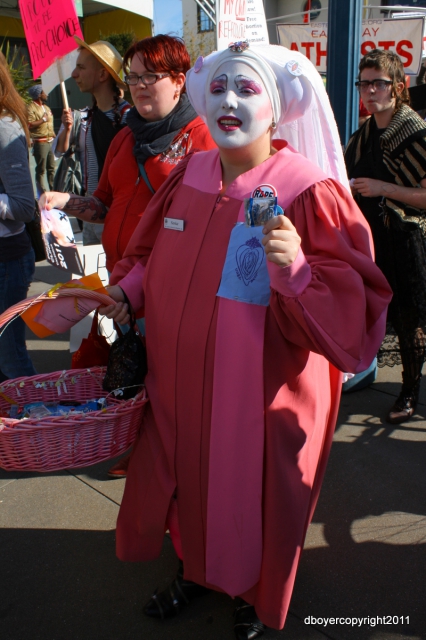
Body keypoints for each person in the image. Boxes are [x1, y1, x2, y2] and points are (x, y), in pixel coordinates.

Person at [98, 43, 392, 637]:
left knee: (256, 493)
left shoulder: (307, 190)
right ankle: (195, 568)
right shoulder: (190, 175)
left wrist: (300, 273)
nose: (229, 101)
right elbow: (147, 255)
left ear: (277, 108)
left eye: (247, 89)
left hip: (261, 393)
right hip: (177, 381)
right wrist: (126, 293)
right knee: (184, 479)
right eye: (221, 88)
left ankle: (254, 592)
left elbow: (356, 300)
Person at [40, 34, 216, 477]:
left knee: (173, 384)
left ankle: (175, 473)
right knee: (137, 375)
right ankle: (146, 454)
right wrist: (63, 201)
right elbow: (102, 206)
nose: (138, 87)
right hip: (124, 286)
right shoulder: (124, 137)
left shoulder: (203, 141)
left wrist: (138, 287)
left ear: (178, 81)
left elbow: (204, 231)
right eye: (133, 77)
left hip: (174, 290)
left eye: (149, 78)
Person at [345, 49, 426, 424]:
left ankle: (409, 392)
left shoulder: (414, 132)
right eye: (364, 83)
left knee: (411, 320)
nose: (369, 90)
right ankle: (361, 371)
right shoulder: (362, 134)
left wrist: (382, 187)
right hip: (371, 238)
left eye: (378, 83)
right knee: (371, 310)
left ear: (398, 86)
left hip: (408, 241)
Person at [53, 38, 130, 246]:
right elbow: (60, 152)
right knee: (92, 279)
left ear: (103, 74)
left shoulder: (129, 120)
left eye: (81, 67)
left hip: (119, 218)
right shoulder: (85, 118)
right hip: (90, 217)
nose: (74, 74)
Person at [0, 52, 37, 381]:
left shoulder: (4, 126)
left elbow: (25, 207)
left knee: (10, 358)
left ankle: (32, 429)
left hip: (7, 261)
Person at [27, 84, 56, 195]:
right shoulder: (31, 108)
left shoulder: (46, 107)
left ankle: (53, 191)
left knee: (52, 168)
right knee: (41, 170)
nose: (46, 94)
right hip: (40, 142)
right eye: (44, 92)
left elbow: (50, 123)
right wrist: (42, 120)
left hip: (51, 141)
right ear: (39, 94)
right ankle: (42, 193)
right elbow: (29, 124)